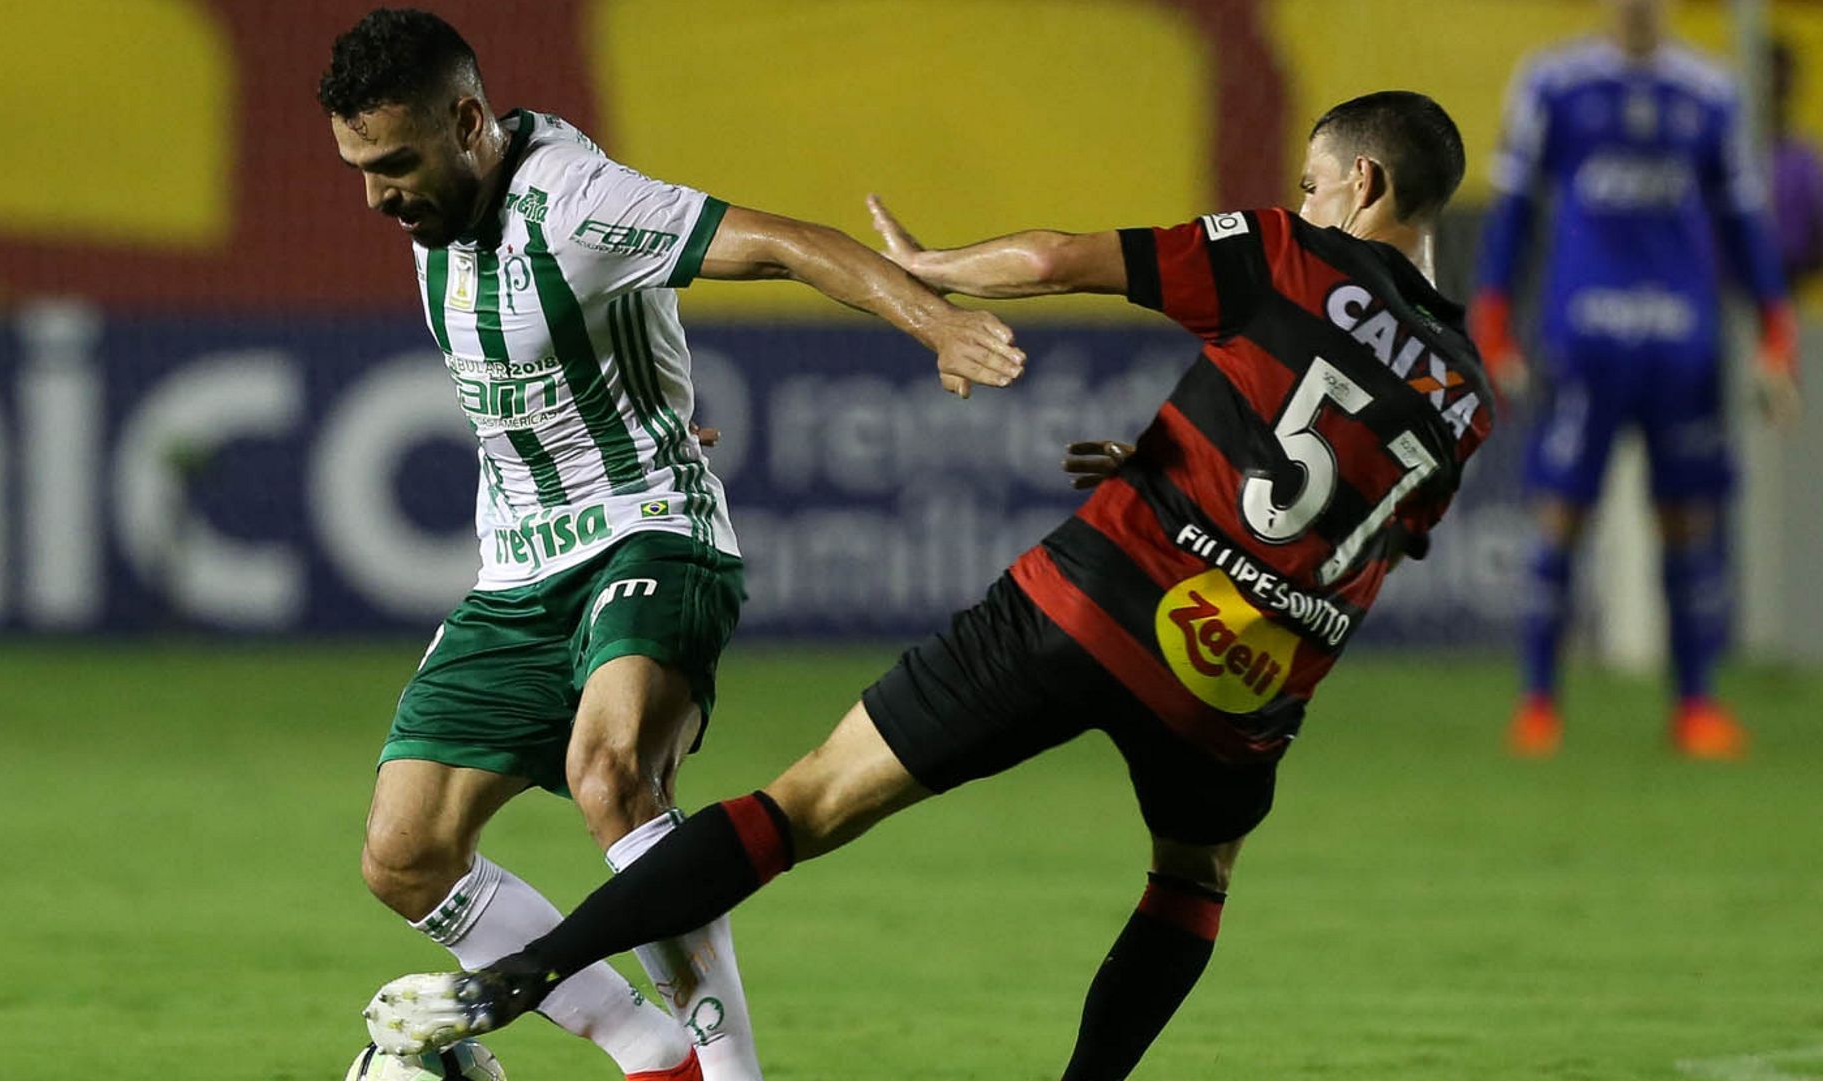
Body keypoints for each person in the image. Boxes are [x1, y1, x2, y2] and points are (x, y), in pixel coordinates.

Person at [360, 90, 1493, 1080]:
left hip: (1092, 603)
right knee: (1193, 879)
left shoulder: (1297, 253)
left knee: (804, 803)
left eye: (1311, 180)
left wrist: (931, 276)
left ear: (1364, 180)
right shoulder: (1467, 392)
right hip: (1243, 681)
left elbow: (1058, 259)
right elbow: (1352, 521)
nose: (1302, 195)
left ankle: (524, 976)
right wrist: (1182, 473)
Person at [317, 9, 1024, 1081]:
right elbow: (553, 371)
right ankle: (655, 1056)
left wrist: (936, 323)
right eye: (360, 169)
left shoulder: (578, 201)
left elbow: (786, 243)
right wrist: (653, 397)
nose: (378, 196)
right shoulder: (440, 222)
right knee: (405, 857)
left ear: (467, 121)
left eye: (397, 163)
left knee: (611, 774)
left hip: (651, 533)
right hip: (517, 575)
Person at [1471, 0, 1801, 760]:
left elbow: (1745, 224)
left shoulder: (1711, 91)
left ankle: (1695, 706)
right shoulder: (1553, 82)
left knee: (1687, 519)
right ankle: (1539, 702)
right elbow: (1514, 210)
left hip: (1683, 340)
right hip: (1585, 337)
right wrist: (1491, 320)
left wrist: (1775, 332)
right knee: (1561, 513)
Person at [1771, 38, 1823, 288]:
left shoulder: (1804, 159)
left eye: (1783, 85)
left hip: (1791, 278)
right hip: (1731, 285)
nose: (1778, 94)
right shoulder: (1725, 153)